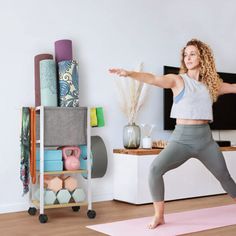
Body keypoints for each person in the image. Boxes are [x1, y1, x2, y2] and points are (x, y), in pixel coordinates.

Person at [109, 39, 236, 229]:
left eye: (192, 53)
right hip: (181, 140)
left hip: (206, 140)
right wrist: (129, 73)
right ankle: (159, 216)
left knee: (224, 176)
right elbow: (153, 79)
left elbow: (234, 87)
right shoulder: (178, 80)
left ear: (203, 56)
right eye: (186, 54)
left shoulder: (212, 84)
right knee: (154, 170)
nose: (188, 58)